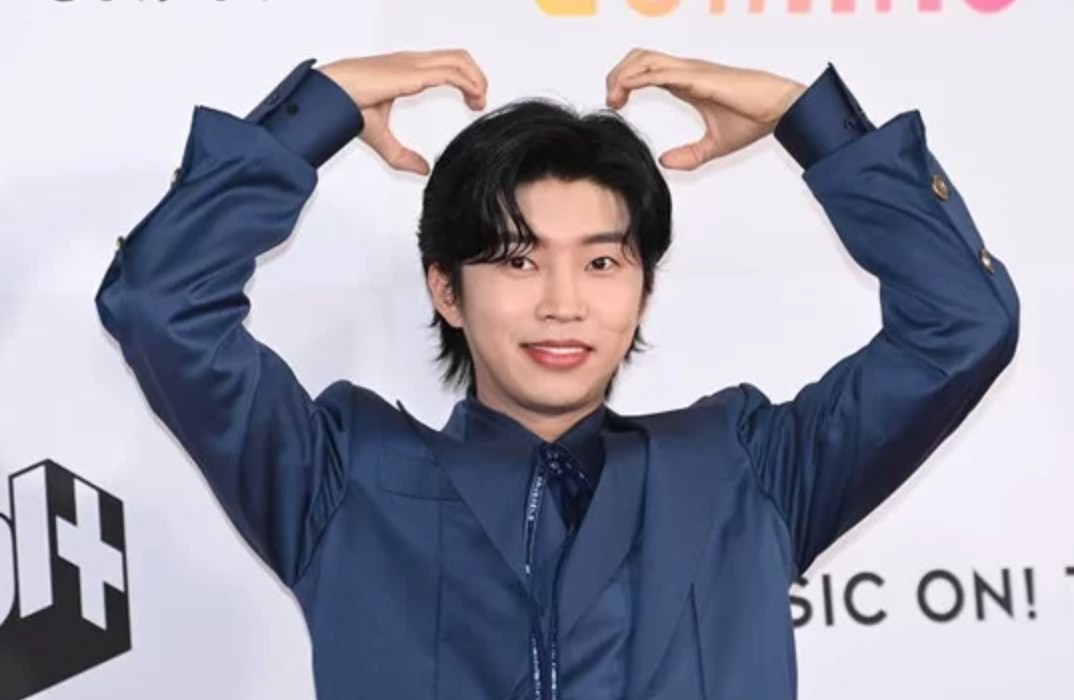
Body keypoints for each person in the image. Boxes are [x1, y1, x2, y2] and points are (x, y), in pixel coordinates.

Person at [95, 48, 1019, 700]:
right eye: (516, 260)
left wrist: (804, 120)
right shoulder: (340, 478)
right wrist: (314, 111)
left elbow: (963, 325)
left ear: (644, 291)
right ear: (446, 290)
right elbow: (160, 303)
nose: (563, 302)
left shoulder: (747, 471)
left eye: (602, 261)